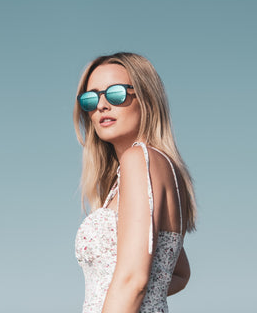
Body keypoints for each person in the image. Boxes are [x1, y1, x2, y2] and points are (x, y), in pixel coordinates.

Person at [73, 52, 197, 313]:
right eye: (91, 98)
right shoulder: (150, 168)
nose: (101, 105)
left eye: (115, 94)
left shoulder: (139, 159)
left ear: (147, 98)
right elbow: (177, 273)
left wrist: (130, 288)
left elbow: (132, 281)